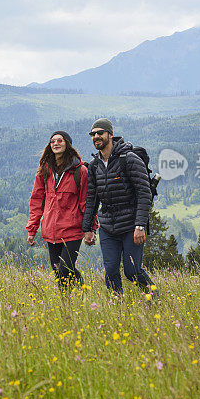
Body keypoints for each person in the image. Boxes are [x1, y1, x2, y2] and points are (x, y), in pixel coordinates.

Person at [82, 118, 157, 296]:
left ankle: (155, 299)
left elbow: (144, 193)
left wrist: (140, 225)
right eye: (93, 134)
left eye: (100, 133)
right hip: (108, 227)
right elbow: (92, 199)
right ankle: (117, 306)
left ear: (110, 134)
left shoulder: (129, 159)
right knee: (111, 271)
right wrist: (87, 229)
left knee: (132, 272)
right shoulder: (94, 165)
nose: (96, 137)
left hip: (131, 225)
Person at [27, 130, 92, 289]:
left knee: (65, 268)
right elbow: (36, 200)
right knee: (57, 271)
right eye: (52, 141)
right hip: (51, 230)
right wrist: (32, 229)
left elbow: (87, 201)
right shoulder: (44, 170)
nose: (55, 143)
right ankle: (67, 303)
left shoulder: (80, 171)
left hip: (72, 229)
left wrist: (90, 228)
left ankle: (81, 289)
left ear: (67, 144)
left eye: (60, 141)